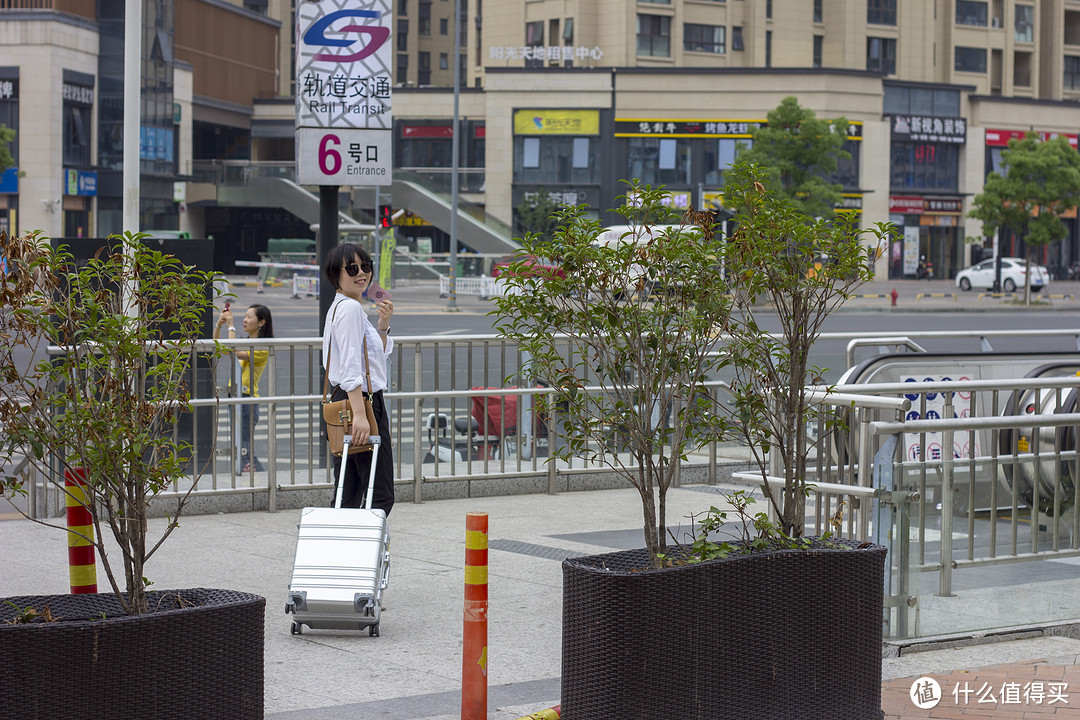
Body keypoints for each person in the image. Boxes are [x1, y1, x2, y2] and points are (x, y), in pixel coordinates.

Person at [322, 243, 395, 515]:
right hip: (361, 403)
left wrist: (383, 328)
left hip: (349, 400)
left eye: (366, 266)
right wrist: (361, 415)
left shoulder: (341, 307)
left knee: (348, 492)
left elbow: (370, 359)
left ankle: (339, 552)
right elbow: (352, 364)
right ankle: (361, 552)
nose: (361, 273)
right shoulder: (350, 310)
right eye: (352, 268)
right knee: (381, 495)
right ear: (336, 273)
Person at [215, 303, 274, 474]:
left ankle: (259, 479)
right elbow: (219, 346)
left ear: (261, 323)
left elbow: (234, 350)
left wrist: (231, 325)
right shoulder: (247, 342)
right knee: (242, 446)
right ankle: (260, 478)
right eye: (245, 316)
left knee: (244, 448)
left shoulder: (262, 346)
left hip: (247, 399)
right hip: (236, 397)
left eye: (249, 317)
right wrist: (219, 324)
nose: (245, 320)